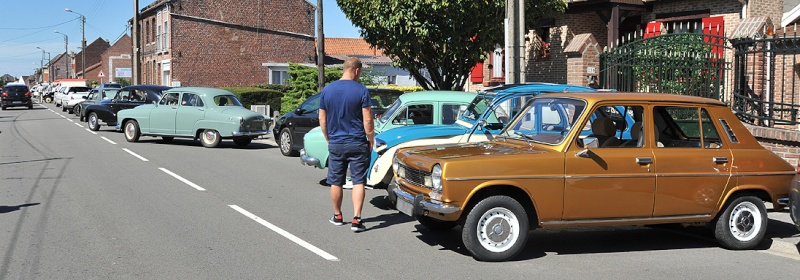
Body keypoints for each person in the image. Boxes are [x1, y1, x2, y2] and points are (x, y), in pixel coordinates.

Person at [319, 57, 373, 233]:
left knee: (335, 180)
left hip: (336, 142)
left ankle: (338, 216)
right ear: (356, 70)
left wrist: (328, 138)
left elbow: (322, 119)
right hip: (357, 142)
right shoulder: (362, 90)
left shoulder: (327, 90)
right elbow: (368, 119)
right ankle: (357, 220)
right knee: (358, 180)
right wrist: (371, 139)